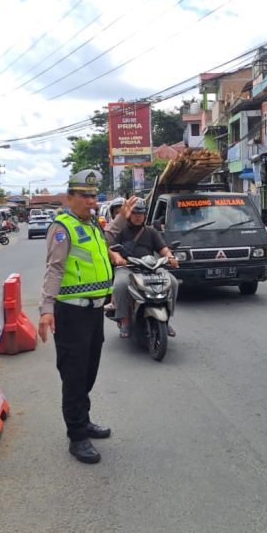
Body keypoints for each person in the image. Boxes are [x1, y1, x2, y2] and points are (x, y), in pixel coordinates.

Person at [38, 169, 125, 464]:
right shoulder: (62, 228)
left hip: (94, 311)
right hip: (71, 312)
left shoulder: (92, 225)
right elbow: (54, 269)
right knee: (74, 376)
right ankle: (77, 436)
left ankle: (82, 420)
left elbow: (107, 240)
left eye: (94, 195)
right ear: (69, 197)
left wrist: (122, 217)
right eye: (85, 195)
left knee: (88, 371)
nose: (91, 200)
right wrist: (46, 309)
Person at [107, 197, 179, 338]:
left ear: (145, 215)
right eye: (135, 213)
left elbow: (162, 248)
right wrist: (117, 257)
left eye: (141, 213)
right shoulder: (122, 230)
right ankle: (125, 321)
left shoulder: (151, 231)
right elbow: (110, 247)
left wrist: (170, 257)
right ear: (129, 214)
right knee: (120, 284)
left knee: (173, 282)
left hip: (150, 266)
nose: (138, 216)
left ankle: (167, 317)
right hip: (127, 267)